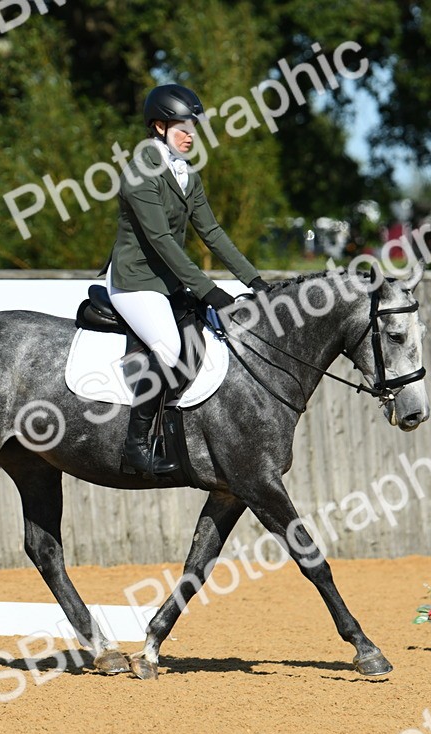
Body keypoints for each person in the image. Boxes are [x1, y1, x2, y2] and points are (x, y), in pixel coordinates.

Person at [105, 83, 270, 477]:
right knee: (169, 349)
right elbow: (161, 240)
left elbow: (212, 233)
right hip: (135, 282)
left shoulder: (185, 174)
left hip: (168, 282)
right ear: (159, 127)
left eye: (193, 127)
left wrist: (255, 281)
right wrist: (210, 291)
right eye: (182, 127)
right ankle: (136, 447)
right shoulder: (140, 172)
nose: (191, 134)